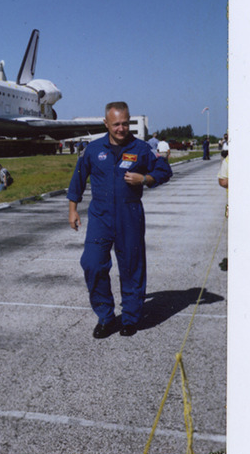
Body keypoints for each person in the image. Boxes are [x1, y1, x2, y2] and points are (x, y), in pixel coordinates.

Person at [67, 102, 173, 338]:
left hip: (129, 215)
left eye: (125, 123)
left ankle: (131, 317)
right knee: (92, 263)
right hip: (100, 216)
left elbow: (164, 171)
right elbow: (78, 179)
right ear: (106, 123)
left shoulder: (141, 148)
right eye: (116, 124)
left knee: (132, 267)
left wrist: (144, 179)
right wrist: (73, 210)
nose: (121, 129)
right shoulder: (94, 149)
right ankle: (105, 317)